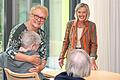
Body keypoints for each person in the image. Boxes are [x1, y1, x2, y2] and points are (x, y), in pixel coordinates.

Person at [3, 5, 48, 80]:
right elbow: (9, 52)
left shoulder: (42, 34)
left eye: (43, 18)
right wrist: (29, 58)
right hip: (16, 72)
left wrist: (40, 67)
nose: (39, 20)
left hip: (32, 73)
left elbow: (44, 56)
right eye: (36, 16)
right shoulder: (18, 30)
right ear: (30, 15)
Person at [59, 3, 98, 70]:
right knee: (71, 76)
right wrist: (61, 57)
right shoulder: (70, 24)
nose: (81, 14)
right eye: (79, 12)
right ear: (76, 13)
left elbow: (93, 44)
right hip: (72, 55)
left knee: (84, 75)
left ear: (87, 13)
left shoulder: (92, 25)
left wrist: (92, 58)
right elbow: (66, 42)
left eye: (84, 12)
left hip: (85, 56)